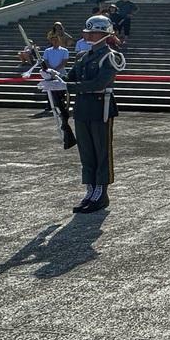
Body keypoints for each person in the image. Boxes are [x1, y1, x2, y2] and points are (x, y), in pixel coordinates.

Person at [39, 15, 125, 212]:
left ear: (104, 34)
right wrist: (52, 76)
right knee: (86, 152)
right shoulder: (82, 57)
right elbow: (69, 78)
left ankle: (101, 194)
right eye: (88, 32)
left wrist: (66, 86)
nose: (88, 35)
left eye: (93, 32)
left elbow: (98, 84)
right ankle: (90, 190)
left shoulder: (111, 57)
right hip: (82, 108)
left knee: (101, 152)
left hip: (100, 108)